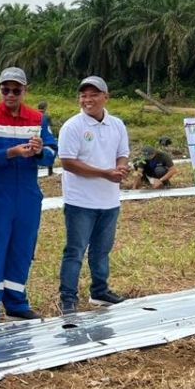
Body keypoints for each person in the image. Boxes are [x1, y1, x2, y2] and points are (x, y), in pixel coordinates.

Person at [0, 67, 56, 326]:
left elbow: (52, 153)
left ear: (24, 91)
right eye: (5, 89)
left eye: (16, 90)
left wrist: (41, 151)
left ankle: (17, 303)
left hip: (27, 196)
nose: (10, 94)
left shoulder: (38, 120)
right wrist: (11, 153)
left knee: (22, 248)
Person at [57, 76, 130, 315]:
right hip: (81, 201)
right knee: (75, 250)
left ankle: (100, 290)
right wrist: (104, 173)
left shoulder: (117, 125)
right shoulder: (73, 126)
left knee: (102, 250)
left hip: (109, 200)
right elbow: (68, 162)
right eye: (83, 95)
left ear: (105, 97)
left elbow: (123, 153)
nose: (88, 100)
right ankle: (68, 297)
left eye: (94, 95)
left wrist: (120, 168)